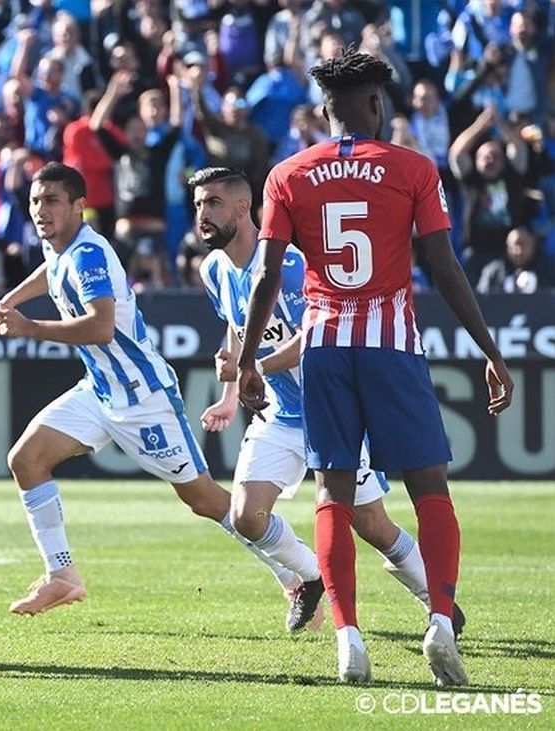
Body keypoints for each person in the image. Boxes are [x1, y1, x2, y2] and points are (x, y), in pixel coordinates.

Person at [237, 50, 513, 686]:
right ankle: (439, 620)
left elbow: (268, 275)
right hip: (392, 346)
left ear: (325, 108)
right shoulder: (412, 168)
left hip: (325, 349)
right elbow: (444, 267)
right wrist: (490, 351)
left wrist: (247, 360)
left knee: (332, 495)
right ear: (374, 104)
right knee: (430, 487)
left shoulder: (287, 174)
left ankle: (349, 639)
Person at [0, 163, 312, 620]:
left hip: (143, 397)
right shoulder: (61, 247)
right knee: (26, 459)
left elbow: (100, 327)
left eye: (52, 200)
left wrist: (29, 327)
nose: (40, 210)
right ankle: (62, 576)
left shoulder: (88, 255)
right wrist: (10, 300)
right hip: (100, 390)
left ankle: (293, 577)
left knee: (205, 500)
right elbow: (51, 270)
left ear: (79, 206)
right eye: (36, 201)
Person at [191, 166, 465, 635]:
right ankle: (312, 575)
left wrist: (253, 369)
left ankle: (438, 602)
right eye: (198, 204)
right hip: (279, 415)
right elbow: (239, 328)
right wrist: (230, 395)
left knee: (371, 523)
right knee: (246, 517)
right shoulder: (213, 270)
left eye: (213, 203)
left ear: (243, 207)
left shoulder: (289, 267)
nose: (202, 214)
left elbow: (312, 337)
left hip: (329, 410)